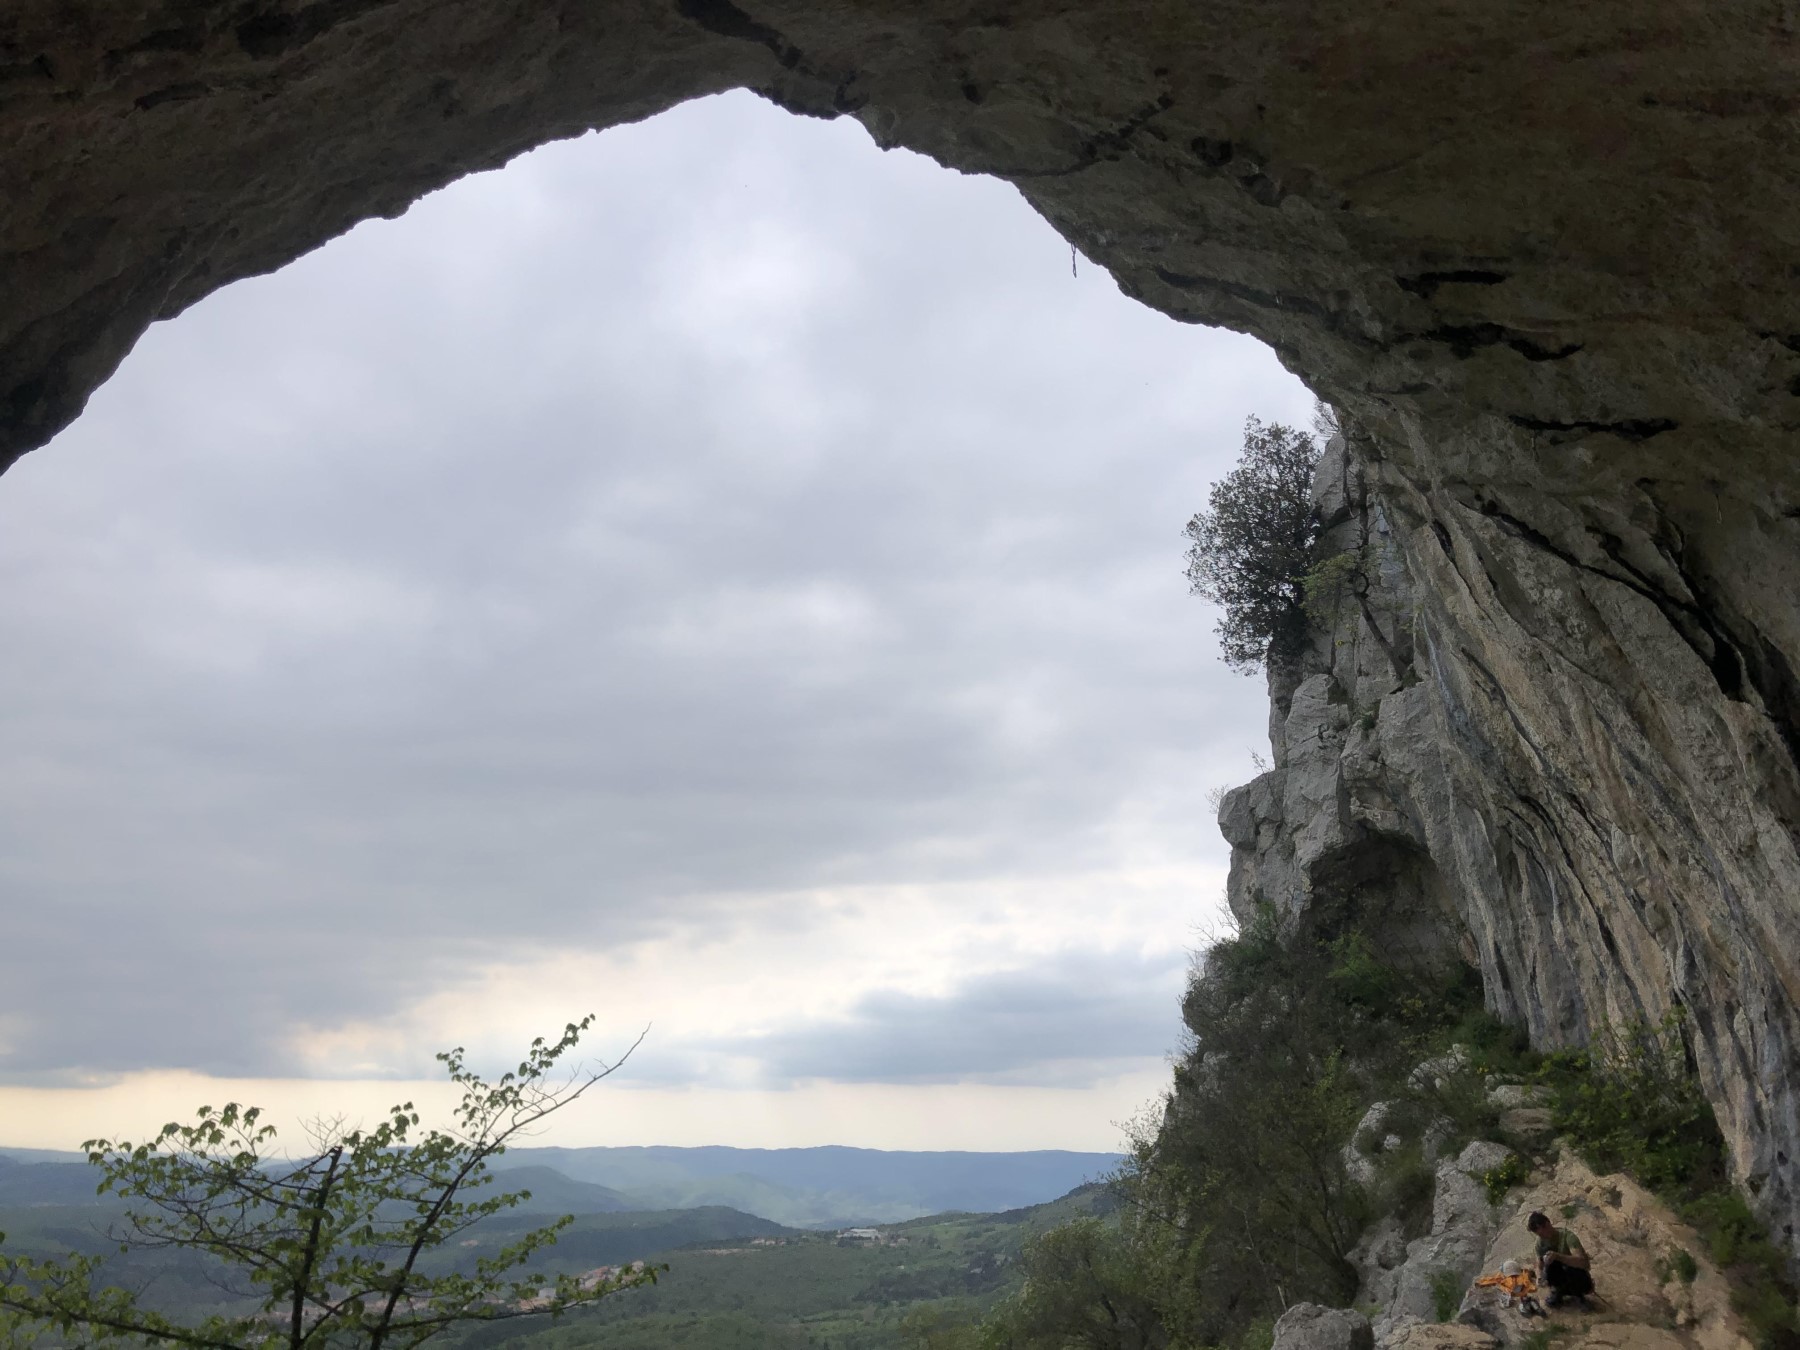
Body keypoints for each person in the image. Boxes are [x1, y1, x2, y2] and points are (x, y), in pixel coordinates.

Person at [1527, 1211, 1593, 1307]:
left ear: (1548, 1225)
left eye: (1543, 1233)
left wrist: (1558, 1256)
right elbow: (1539, 1264)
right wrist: (1539, 1276)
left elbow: (1582, 1262)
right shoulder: (1540, 1243)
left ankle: (1579, 1296)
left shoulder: (1568, 1237)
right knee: (1549, 1266)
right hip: (1559, 1276)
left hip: (1577, 1275)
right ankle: (1558, 1293)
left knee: (1570, 1269)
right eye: (1540, 1235)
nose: (1543, 1237)